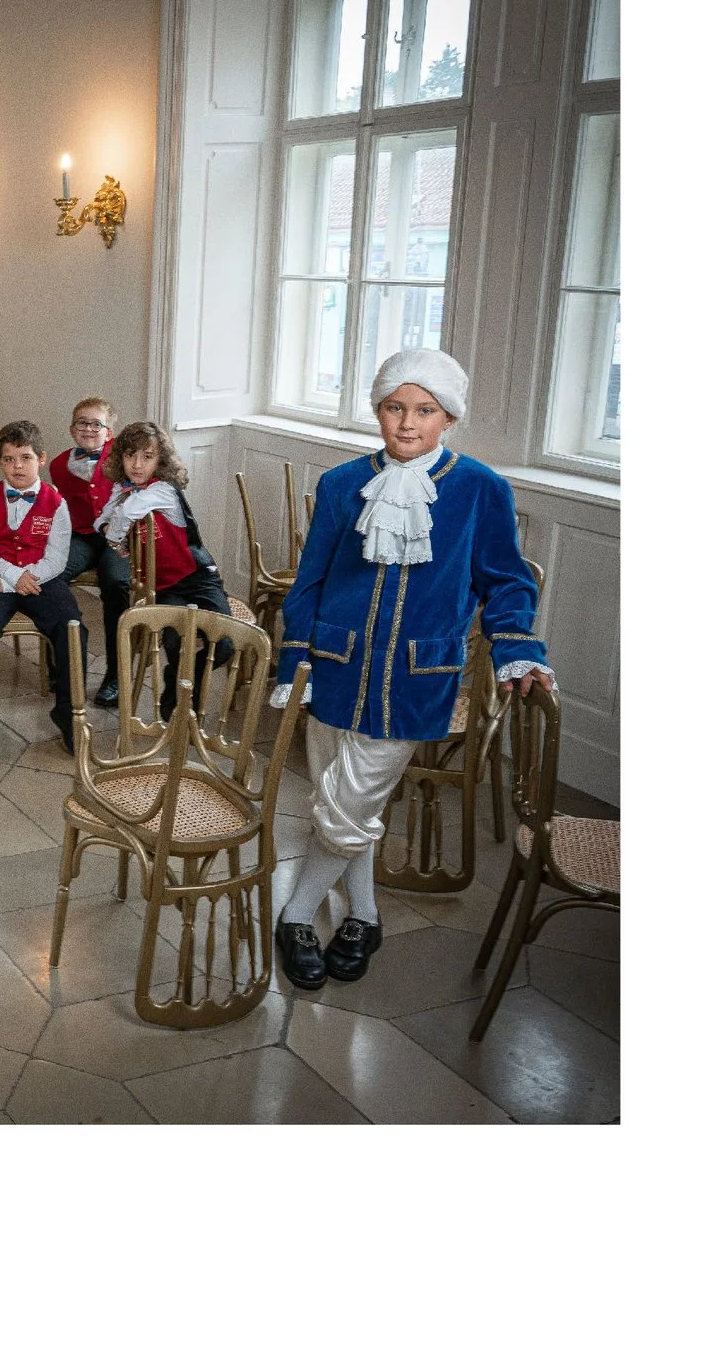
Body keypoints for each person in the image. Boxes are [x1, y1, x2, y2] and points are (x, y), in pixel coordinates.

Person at [271, 349, 553, 992]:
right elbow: (310, 578)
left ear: (448, 418)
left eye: (424, 410)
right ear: (377, 411)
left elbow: (506, 582)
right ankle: (364, 917)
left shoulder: (481, 488)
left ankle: (294, 913)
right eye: (394, 407)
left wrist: (515, 645)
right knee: (343, 802)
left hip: (418, 678)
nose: (406, 423)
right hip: (333, 665)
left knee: (348, 804)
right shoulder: (343, 484)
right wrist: (297, 654)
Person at [0, 420, 88, 755]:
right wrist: (10, 577)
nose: (17, 466)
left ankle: (69, 713)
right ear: (0, 461)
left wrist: (11, 579)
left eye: (25, 458)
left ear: (41, 460)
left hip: (42, 580)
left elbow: (57, 559)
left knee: (72, 626)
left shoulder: (56, 504)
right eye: (9, 458)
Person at [93, 420, 234, 717]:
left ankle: (177, 683)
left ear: (161, 460)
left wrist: (116, 538)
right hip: (166, 585)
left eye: (147, 457)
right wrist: (108, 526)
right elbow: (102, 518)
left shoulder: (163, 490)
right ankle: (181, 711)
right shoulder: (122, 488)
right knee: (173, 643)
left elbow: (128, 512)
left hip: (197, 577)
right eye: (130, 455)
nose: (137, 464)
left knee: (224, 643)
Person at [47, 395, 135, 706]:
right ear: (72, 430)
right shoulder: (59, 465)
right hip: (81, 536)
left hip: (117, 538)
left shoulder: (124, 459)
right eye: (81, 423)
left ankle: (116, 672)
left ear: (110, 432)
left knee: (116, 583)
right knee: (51, 574)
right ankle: (63, 660)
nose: (88, 428)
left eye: (96, 424)